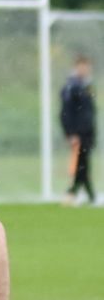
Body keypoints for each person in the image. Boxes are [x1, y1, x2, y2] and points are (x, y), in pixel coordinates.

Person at [59, 55, 97, 205]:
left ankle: (76, 193)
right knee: (82, 165)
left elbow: (89, 112)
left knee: (84, 165)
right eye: (82, 67)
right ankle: (78, 193)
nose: (85, 70)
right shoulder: (71, 87)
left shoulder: (87, 86)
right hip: (78, 134)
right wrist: (70, 133)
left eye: (87, 67)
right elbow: (65, 112)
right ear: (76, 68)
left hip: (87, 132)